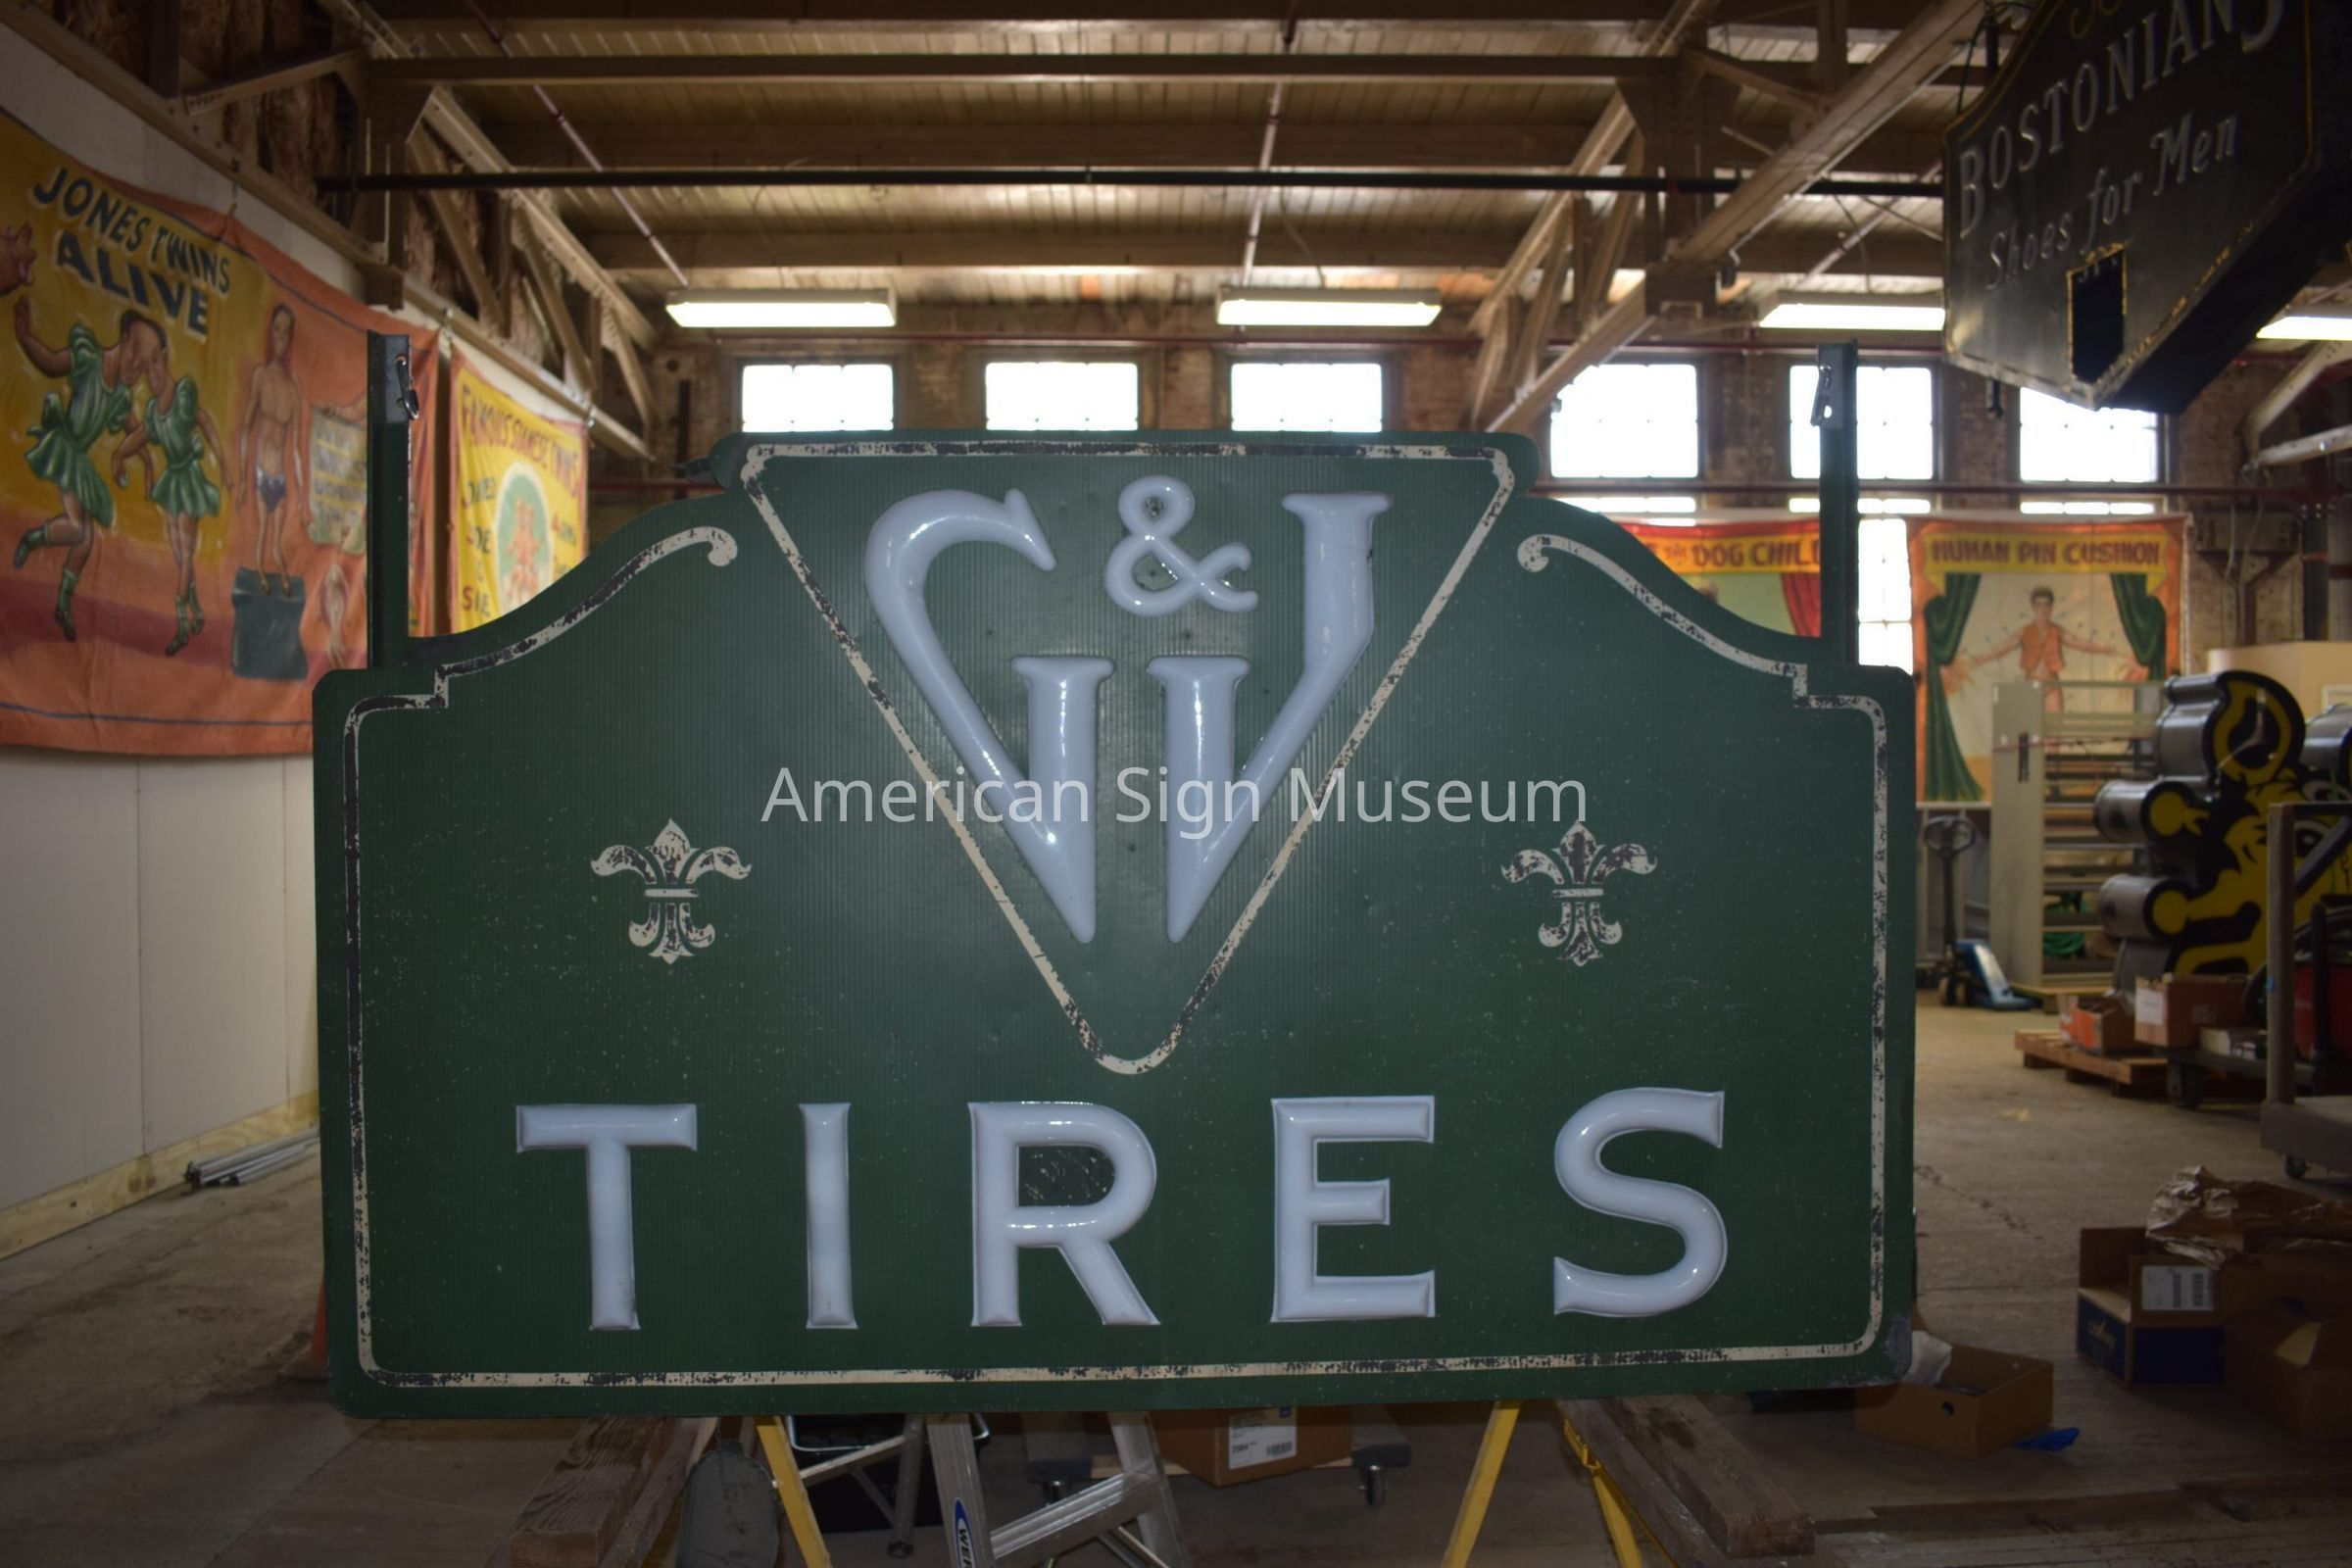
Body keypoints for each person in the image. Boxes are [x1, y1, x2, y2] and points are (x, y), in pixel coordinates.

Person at [12, 299, 171, 641]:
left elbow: (133, 429)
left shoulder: (120, 397)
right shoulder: (88, 359)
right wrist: (24, 337)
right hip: (65, 449)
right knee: (77, 529)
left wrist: (147, 462)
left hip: (80, 462)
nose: (138, 368)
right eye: (137, 355)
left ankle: (63, 602)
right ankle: (32, 539)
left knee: (85, 539)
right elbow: (53, 362)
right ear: (124, 339)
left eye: (145, 366)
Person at [114, 376, 225, 656]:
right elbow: (141, 435)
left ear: (163, 360)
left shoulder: (183, 396)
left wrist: (223, 461)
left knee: (185, 555)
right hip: (173, 480)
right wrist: (119, 455)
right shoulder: (154, 411)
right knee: (179, 555)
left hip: (188, 480)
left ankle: (182, 623)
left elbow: (204, 421)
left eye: (155, 363)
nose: (152, 374)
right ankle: (196, 607)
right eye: (147, 368)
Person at [1963, 584, 2140, 710]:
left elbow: (2081, 643)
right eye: (2039, 604)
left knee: (2054, 736)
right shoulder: (2025, 632)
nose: (2043, 609)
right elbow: (2002, 649)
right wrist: (1979, 659)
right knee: (2032, 737)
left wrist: (2106, 649)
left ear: (2051, 606)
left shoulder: (2057, 631)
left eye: (2046, 604)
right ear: (2033, 606)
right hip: (2031, 686)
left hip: (2052, 687)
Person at [236, 303, 307, 595]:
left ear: (290, 339)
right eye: (277, 329)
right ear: (271, 333)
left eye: (286, 332)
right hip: (261, 472)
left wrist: (303, 498)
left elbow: (296, 451)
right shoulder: (261, 377)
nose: (281, 337)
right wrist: (243, 480)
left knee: (277, 544)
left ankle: (283, 581)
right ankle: (263, 578)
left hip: (279, 478)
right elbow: (246, 429)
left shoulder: (293, 392)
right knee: (262, 535)